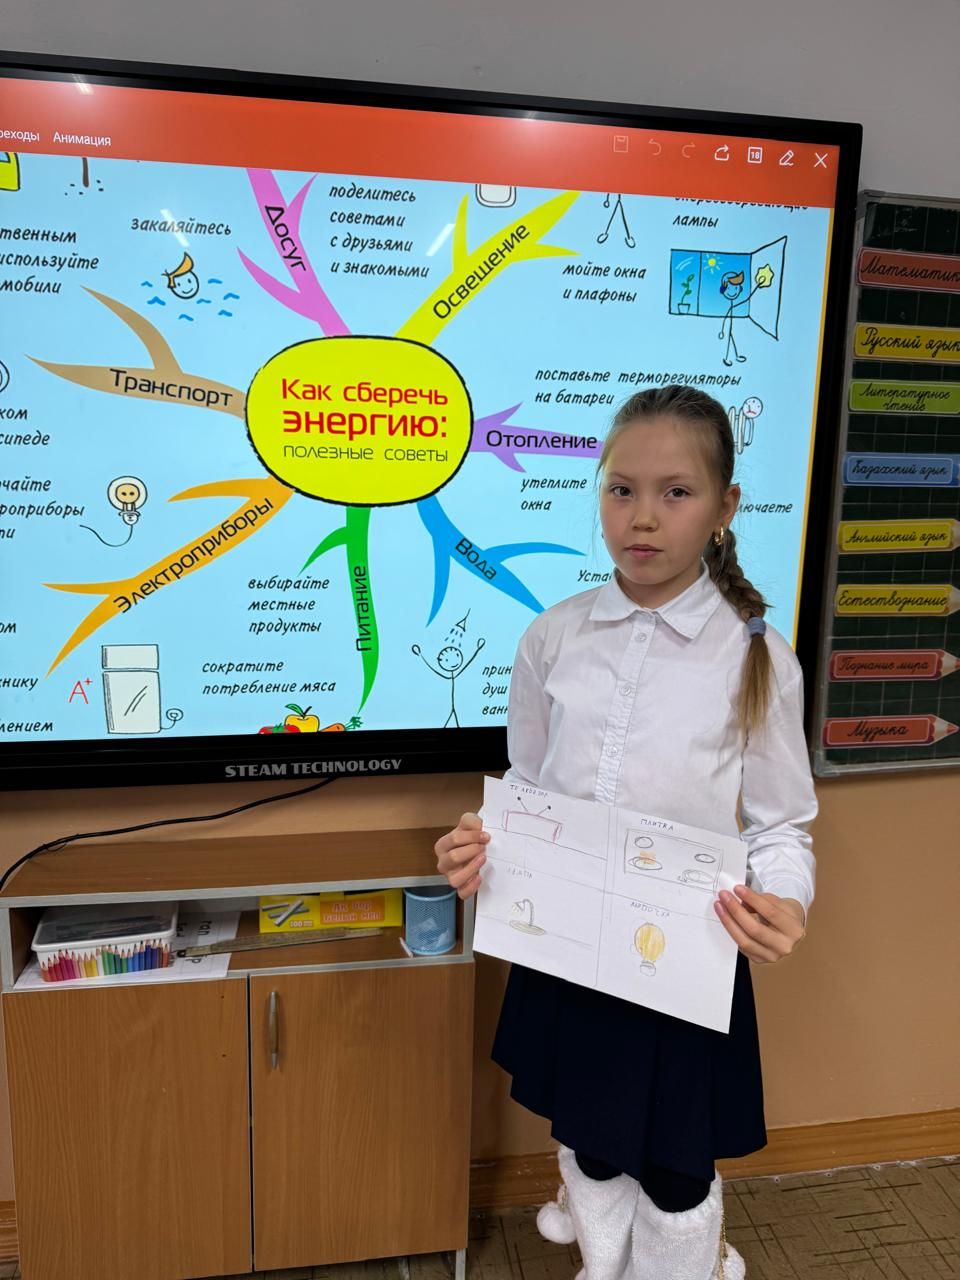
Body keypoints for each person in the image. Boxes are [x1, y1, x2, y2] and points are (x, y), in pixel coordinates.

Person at [434, 385, 816, 1280]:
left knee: (678, 1167)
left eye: (676, 492)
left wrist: (786, 900)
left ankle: (679, 1266)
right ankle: (603, 1263)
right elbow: (530, 788)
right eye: (621, 489)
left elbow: (783, 824)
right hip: (569, 950)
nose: (642, 517)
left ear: (724, 506)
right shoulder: (553, 637)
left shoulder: (756, 655)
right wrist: (481, 848)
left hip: (685, 961)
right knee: (592, 1143)